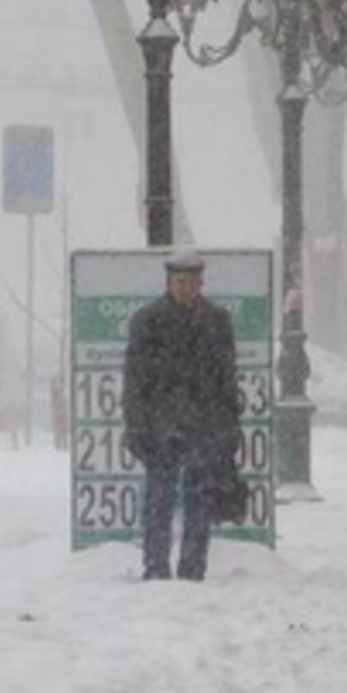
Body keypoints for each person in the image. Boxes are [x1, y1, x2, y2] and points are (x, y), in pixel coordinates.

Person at [123, 249, 240, 581]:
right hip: (160, 427)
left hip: (205, 426)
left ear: (201, 283)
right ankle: (156, 567)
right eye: (179, 281)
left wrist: (229, 428)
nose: (185, 288)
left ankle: (193, 569)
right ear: (169, 282)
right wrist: (136, 426)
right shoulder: (147, 321)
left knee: (199, 501)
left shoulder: (217, 321)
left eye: (191, 282)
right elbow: (135, 382)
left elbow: (227, 380)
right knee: (159, 501)